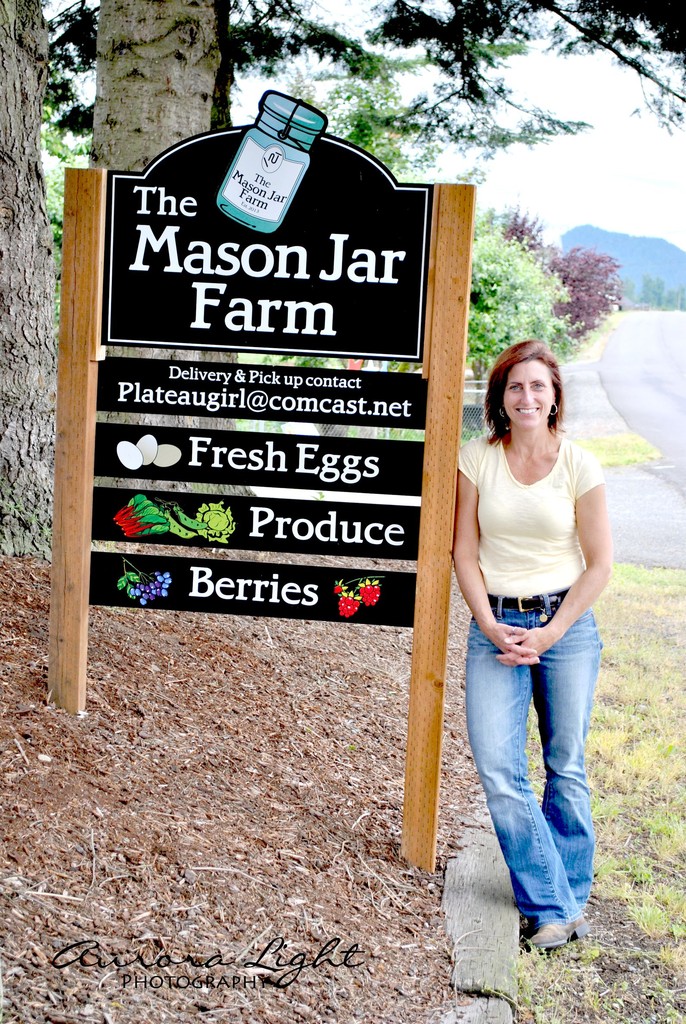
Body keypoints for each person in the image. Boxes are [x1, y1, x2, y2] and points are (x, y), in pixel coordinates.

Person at [453, 340, 613, 951]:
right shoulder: (478, 457)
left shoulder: (580, 464)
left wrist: (549, 632)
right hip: (494, 623)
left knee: (565, 765)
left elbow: (599, 565)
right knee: (498, 768)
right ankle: (555, 905)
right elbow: (464, 552)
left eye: (537, 386)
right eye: (515, 386)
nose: (527, 397)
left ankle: (561, 901)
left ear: (554, 396)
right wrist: (490, 624)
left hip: (565, 625)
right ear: (500, 397)